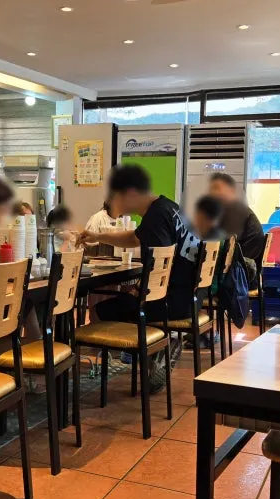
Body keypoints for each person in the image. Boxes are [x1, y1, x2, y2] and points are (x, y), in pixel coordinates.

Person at [78, 165, 200, 392]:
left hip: (170, 302)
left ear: (131, 193)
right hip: (189, 298)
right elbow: (135, 238)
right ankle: (155, 352)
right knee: (124, 299)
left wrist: (139, 288)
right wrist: (98, 236)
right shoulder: (168, 207)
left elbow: (159, 265)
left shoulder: (155, 218)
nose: (116, 204)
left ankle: (152, 351)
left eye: (118, 197)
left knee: (97, 312)